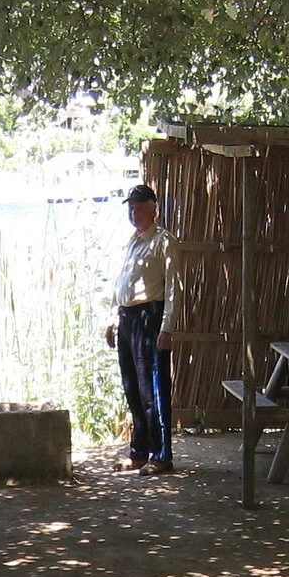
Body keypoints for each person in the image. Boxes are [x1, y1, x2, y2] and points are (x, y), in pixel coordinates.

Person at [105, 181, 176, 473]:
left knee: (153, 390)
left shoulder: (164, 242)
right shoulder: (133, 241)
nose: (134, 214)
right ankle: (139, 452)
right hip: (127, 319)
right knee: (132, 388)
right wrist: (111, 320)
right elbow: (120, 284)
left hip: (150, 317)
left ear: (153, 209)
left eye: (139, 208)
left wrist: (167, 327)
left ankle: (161, 456)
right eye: (131, 209)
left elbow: (174, 289)